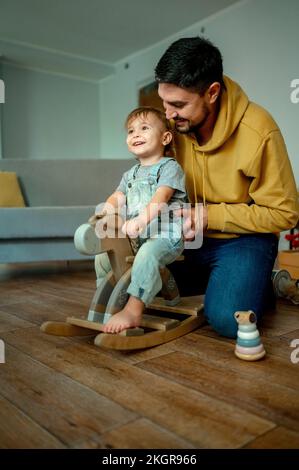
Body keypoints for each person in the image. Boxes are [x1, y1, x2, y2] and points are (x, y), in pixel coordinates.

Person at [154, 36, 299, 338]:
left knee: (227, 319)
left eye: (178, 104)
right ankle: (246, 281)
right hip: (188, 239)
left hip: (244, 240)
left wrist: (209, 216)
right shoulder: (173, 126)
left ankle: (261, 280)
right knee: (143, 289)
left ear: (212, 92)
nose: (168, 115)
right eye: (164, 102)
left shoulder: (259, 130)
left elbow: (285, 213)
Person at [97, 106, 187, 333]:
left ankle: (134, 309)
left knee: (147, 254)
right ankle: (108, 299)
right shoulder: (131, 173)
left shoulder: (170, 167)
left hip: (167, 235)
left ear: (165, 137)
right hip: (138, 235)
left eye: (144, 128)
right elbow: (118, 196)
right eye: (130, 131)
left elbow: (161, 197)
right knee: (103, 255)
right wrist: (105, 212)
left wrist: (139, 221)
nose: (135, 134)